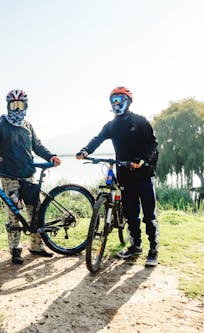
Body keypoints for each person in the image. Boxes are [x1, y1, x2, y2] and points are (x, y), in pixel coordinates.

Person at [76, 86, 160, 267]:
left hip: (144, 174)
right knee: (131, 214)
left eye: (120, 100)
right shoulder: (111, 125)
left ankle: (153, 249)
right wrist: (85, 150)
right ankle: (135, 246)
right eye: (113, 100)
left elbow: (152, 144)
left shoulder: (140, 121)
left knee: (148, 214)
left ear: (128, 101)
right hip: (124, 175)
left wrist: (142, 159)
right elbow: (97, 139)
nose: (116, 104)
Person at [0, 89, 62, 265]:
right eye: (13, 105)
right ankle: (15, 249)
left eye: (20, 105)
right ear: (8, 106)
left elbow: (37, 146)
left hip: (28, 175)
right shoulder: (1, 124)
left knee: (36, 211)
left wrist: (51, 156)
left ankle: (37, 247)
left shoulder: (28, 126)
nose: (17, 109)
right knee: (14, 212)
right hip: (9, 176)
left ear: (26, 106)